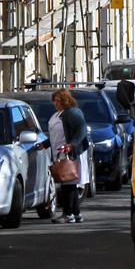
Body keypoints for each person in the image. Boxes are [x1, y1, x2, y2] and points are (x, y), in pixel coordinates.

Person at [33, 88, 89, 224]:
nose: (56, 103)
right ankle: (76, 213)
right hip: (60, 154)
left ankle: (67, 214)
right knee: (70, 184)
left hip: (69, 154)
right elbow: (55, 136)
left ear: (65, 101)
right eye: (55, 101)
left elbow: (82, 129)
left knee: (67, 184)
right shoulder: (59, 114)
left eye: (58, 101)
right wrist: (44, 144)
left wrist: (72, 144)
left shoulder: (72, 113)